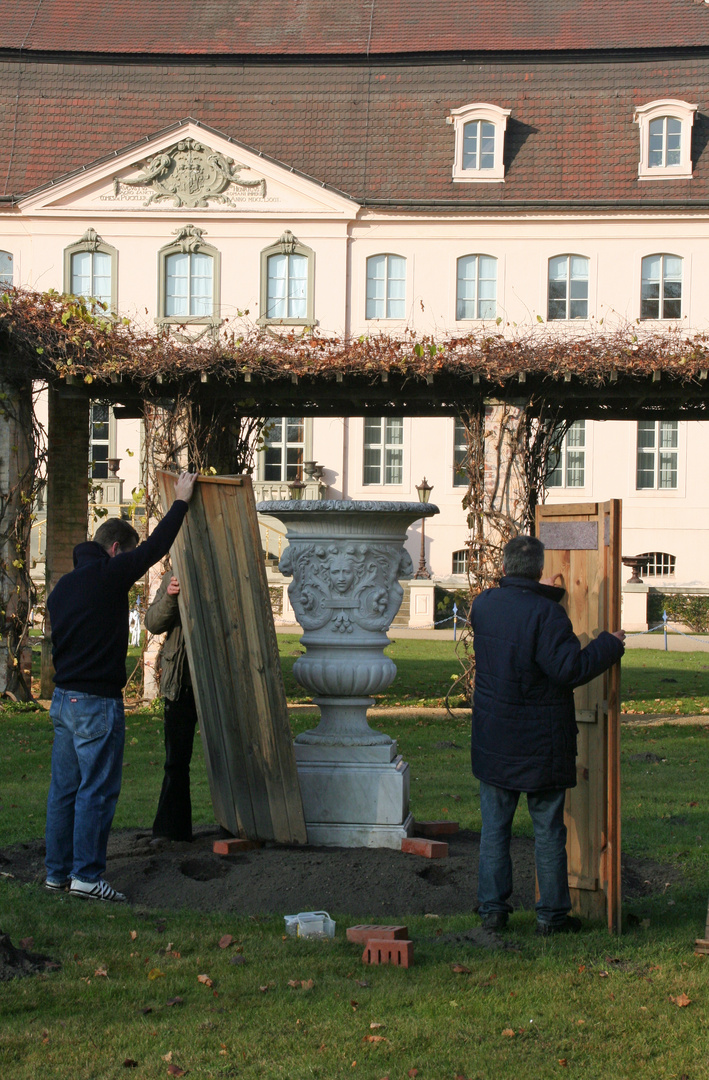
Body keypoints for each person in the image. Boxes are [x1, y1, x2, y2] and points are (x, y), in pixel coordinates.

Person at [44, 472, 198, 902]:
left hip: (62, 701)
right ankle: (88, 877)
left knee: (64, 790)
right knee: (97, 789)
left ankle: (57, 873)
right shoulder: (109, 575)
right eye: (124, 556)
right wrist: (181, 501)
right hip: (96, 704)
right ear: (115, 550)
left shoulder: (62, 589)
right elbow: (155, 548)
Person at [471, 534, 625, 936]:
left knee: (494, 830)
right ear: (539, 569)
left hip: (494, 739)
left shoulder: (484, 606)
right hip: (541, 744)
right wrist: (608, 644)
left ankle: (492, 911)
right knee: (548, 832)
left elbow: (517, 629)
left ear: (505, 568)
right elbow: (569, 670)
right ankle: (552, 917)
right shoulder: (548, 615)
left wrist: (548, 597)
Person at [144, 565, 197, 844]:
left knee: (231, 758)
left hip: (220, 683)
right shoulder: (175, 574)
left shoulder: (230, 568)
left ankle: (237, 827)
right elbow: (153, 622)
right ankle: (171, 832)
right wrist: (170, 596)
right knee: (175, 761)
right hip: (181, 686)